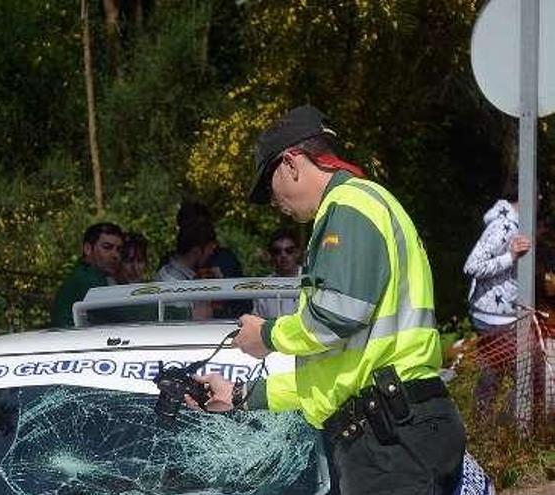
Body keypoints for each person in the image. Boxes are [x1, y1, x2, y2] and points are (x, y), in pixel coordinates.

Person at [189, 105, 467, 494]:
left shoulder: (349, 206)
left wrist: (265, 336)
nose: (275, 203)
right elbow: (330, 378)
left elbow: (338, 316)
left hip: (390, 437)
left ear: (291, 163)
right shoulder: (359, 205)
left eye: (269, 188)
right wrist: (239, 395)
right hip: (392, 429)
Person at [463, 182, 531, 411]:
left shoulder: (517, 224)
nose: (540, 199)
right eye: (538, 194)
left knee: (493, 372)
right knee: (527, 375)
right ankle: (511, 429)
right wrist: (510, 257)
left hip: (500, 315)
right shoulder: (505, 226)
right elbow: (472, 266)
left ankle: (484, 425)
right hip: (492, 315)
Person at [51, 222, 124, 327]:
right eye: (107, 247)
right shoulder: (85, 279)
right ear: (88, 249)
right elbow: (122, 313)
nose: (115, 255)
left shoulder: (91, 276)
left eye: (119, 250)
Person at [255, 228, 303, 318]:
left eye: (289, 250)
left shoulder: (311, 281)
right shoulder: (263, 287)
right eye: (277, 251)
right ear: (272, 255)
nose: (283, 255)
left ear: (297, 252)